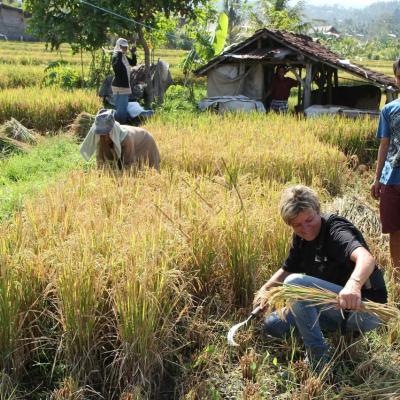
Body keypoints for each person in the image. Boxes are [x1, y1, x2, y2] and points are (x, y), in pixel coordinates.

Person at [253, 185, 387, 371]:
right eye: (298, 225)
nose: (305, 229)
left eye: (309, 220)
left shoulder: (335, 230)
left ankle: (319, 356)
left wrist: (353, 285)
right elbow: (288, 269)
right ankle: (329, 331)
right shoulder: (300, 238)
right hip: (331, 307)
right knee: (273, 325)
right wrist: (265, 291)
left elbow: (366, 259)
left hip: (363, 310)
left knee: (295, 284)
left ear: (317, 210)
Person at [371, 58, 400, 286]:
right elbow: (384, 144)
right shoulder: (389, 110)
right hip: (392, 181)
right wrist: (377, 178)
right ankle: (398, 279)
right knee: (394, 232)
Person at [80, 109, 160, 171]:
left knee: (145, 170)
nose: (104, 137)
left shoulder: (127, 138)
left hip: (145, 142)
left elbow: (128, 164)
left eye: (106, 134)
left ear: (112, 131)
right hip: (135, 141)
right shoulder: (101, 137)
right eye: (101, 134)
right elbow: (100, 160)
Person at [111, 38, 137, 124]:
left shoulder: (123, 56)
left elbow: (133, 63)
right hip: (119, 87)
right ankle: (118, 126)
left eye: (126, 47)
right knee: (121, 111)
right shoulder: (116, 56)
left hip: (124, 87)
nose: (125, 49)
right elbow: (117, 68)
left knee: (122, 108)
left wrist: (133, 53)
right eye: (122, 47)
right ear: (118, 46)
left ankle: (118, 125)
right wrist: (119, 52)